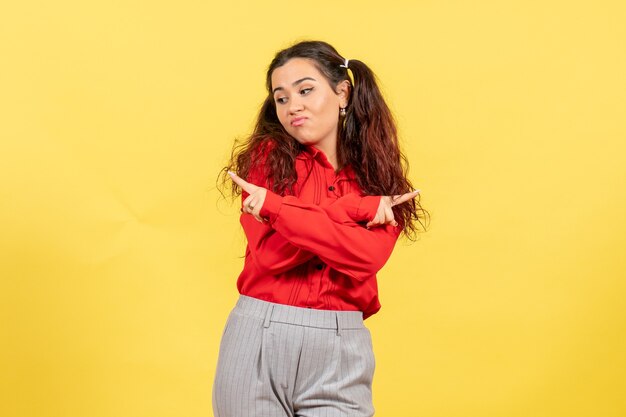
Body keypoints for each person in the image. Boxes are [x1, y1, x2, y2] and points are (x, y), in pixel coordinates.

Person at [213, 40, 428, 417]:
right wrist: (353, 210)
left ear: (342, 92)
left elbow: (366, 258)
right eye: (281, 98)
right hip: (258, 341)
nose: (292, 106)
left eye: (305, 90)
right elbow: (271, 255)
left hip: (341, 348)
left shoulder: (379, 178)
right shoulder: (266, 161)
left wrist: (278, 209)